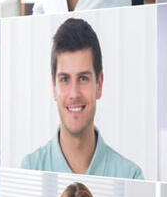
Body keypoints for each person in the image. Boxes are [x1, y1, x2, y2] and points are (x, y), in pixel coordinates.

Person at [20, 17, 142, 177]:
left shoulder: (130, 175)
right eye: (64, 79)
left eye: (83, 78)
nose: (74, 94)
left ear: (99, 84)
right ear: (53, 87)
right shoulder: (29, 170)